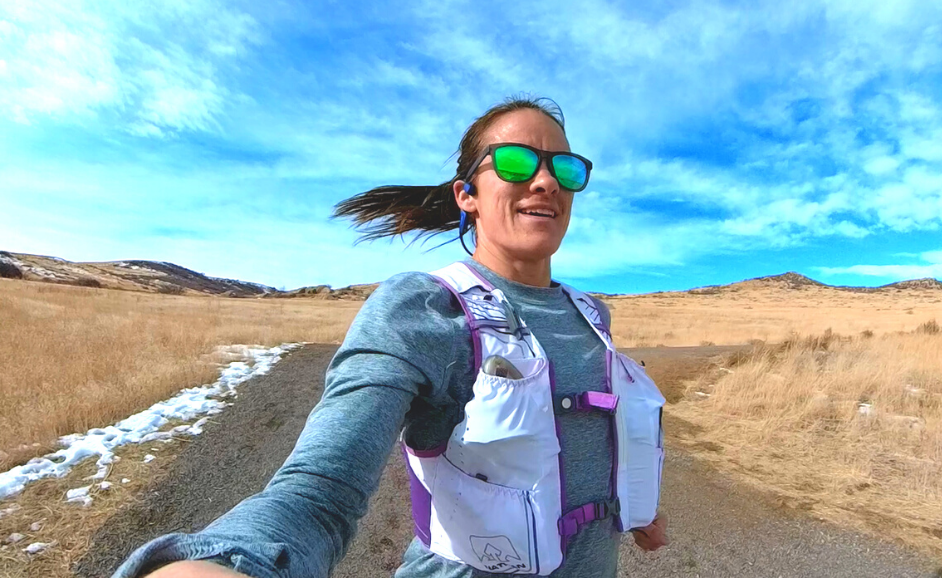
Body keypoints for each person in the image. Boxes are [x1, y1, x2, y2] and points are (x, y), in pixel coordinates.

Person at [113, 96, 668, 578]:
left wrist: (626, 505)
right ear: (467, 194)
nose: (546, 180)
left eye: (564, 168)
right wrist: (230, 562)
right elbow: (321, 488)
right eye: (517, 161)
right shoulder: (423, 308)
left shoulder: (590, 313)